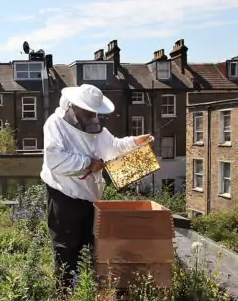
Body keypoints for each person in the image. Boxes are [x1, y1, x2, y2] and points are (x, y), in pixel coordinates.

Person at [40, 84, 153, 287]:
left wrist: (136, 142)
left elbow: (113, 147)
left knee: (87, 249)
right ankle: (65, 300)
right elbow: (55, 160)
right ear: (74, 106)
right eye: (88, 111)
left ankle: (82, 295)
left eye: (95, 112)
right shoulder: (55, 124)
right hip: (63, 197)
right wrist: (89, 164)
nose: (92, 115)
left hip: (89, 199)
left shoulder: (96, 128)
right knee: (66, 250)